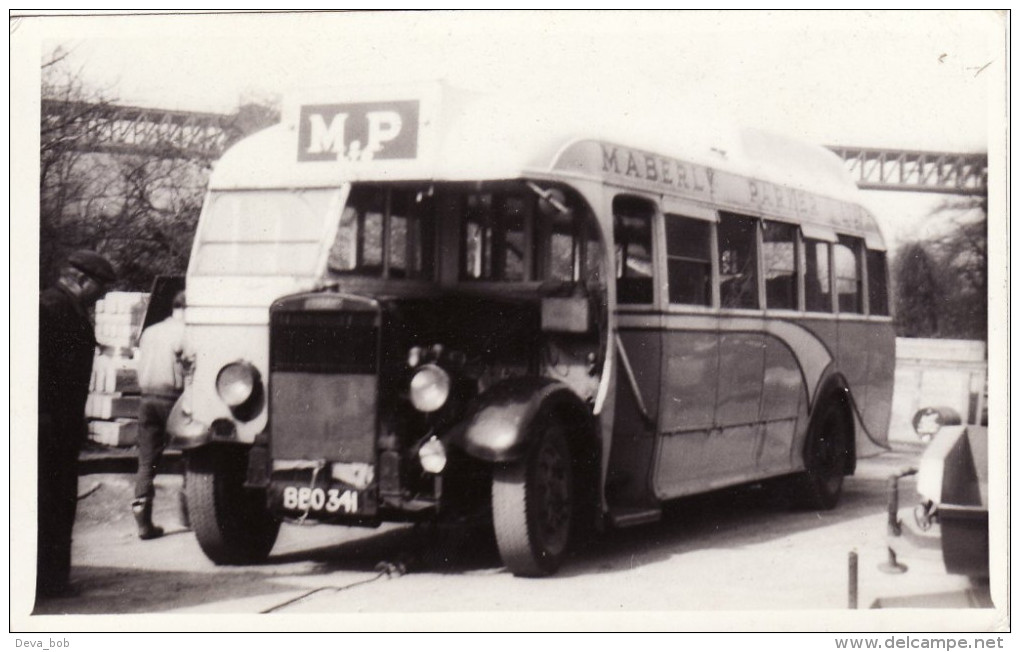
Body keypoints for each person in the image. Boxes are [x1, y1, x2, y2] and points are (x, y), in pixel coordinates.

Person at [37, 249, 116, 600]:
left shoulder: (67, 308)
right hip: (49, 428)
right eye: (100, 287)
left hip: (61, 428)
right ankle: (47, 581)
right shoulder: (51, 308)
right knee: (50, 503)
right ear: (81, 279)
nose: (102, 296)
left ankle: (53, 579)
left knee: (58, 502)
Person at [133, 290, 187, 539]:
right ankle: (189, 514)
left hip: (146, 398)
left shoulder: (150, 331)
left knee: (146, 462)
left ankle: (143, 521)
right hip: (173, 398)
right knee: (193, 454)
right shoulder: (186, 332)